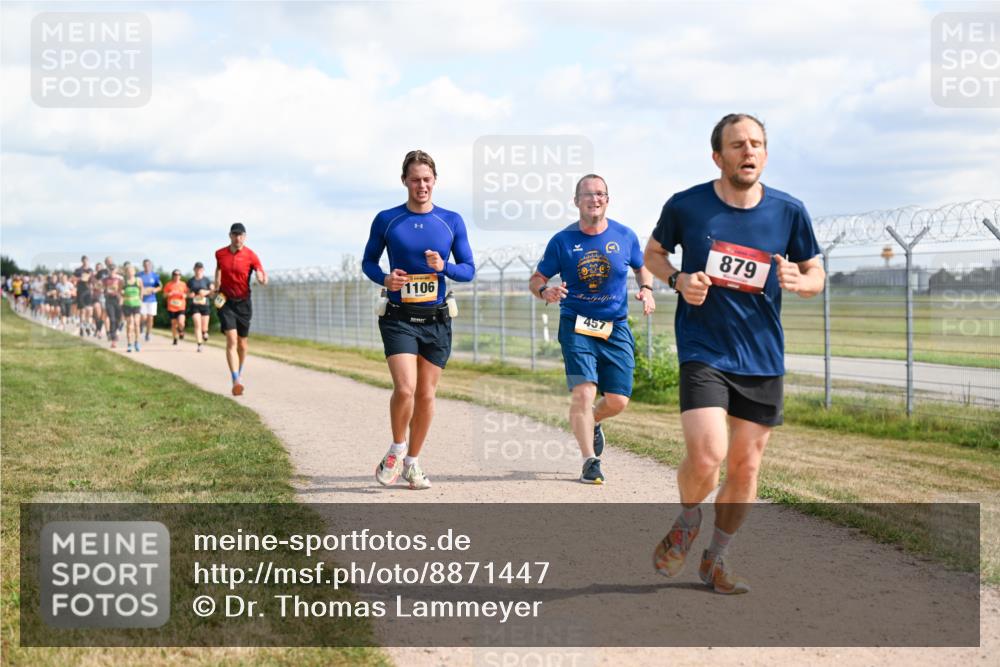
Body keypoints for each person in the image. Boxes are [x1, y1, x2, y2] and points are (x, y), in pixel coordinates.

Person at [644, 113, 825, 594]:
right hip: (704, 350)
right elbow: (653, 254)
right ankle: (686, 522)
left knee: (746, 467)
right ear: (717, 156)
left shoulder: (789, 211)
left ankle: (717, 560)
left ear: (765, 153)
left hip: (762, 356)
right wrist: (678, 281)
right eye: (738, 144)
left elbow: (815, 272)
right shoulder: (688, 206)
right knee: (708, 456)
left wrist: (800, 282)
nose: (749, 152)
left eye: (757, 143)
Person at [529, 174, 655, 485]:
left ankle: (593, 422)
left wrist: (647, 288)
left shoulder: (625, 236)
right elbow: (536, 279)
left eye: (600, 194)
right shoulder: (562, 241)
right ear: (576, 201)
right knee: (584, 392)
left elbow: (641, 265)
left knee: (618, 401)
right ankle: (590, 461)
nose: (594, 199)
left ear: (608, 200)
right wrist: (545, 292)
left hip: (616, 327)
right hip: (576, 325)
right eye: (588, 194)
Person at [362, 149, 475, 490]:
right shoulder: (387, 220)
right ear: (404, 182)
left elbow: (468, 270)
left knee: (426, 395)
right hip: (399, 317)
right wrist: (385, 280)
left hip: (437, 319)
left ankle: (412, 462)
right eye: (415, 180)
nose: (421, 185)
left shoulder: (451, 221)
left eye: (427, 179)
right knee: (405, 388)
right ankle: (397, 448)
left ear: (435, 181)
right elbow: (368, 262)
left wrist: (445, 268)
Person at [214, 222, 267, 395]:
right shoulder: (220, 253)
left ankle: (239, 371)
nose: (238, 238)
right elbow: (219, 268)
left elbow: (261, 272)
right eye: (235, 235)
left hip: (244, 303)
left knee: (242, 344)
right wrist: (216, 284)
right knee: (232, 339)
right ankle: (235, 378)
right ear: (230, 236)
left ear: (245, 237)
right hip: (226, 301)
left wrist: (261, 278)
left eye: (241, 235)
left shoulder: (251, 255)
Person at [187, 262, 214, 352]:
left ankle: (205, 332)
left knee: (204, 327)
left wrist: (205, 292)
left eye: (200, 269)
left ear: (203, 270)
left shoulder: (206, 280)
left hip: (205, 305)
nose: (198, 270)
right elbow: (186, 292)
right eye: (197, 269)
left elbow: (213, 290)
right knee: (197, 324)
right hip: (195, 306)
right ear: (194, 269)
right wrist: (189, 295)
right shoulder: (191, 281)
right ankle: (199, 344)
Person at [163, 269, 189, 345]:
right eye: (175, 274)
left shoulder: (183, 284)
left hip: (181, 307)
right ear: (173, 276)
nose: (177, 276)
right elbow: (164, 295)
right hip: (171, 308)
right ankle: (175, 338)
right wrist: (169, 294)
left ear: (180, 276)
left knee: (181, 322)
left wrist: (185, 295)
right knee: (174, 324)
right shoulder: (169, 284)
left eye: (178, 275)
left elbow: (188, 294)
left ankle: (181, 331)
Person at [121, 262, 144, 352]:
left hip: (136, 304)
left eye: (132, 271)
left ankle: (137, 342)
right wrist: (122, 293)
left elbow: (142, 289)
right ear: (126, 273)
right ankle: (129, 344)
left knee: (137, 323)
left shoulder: (138, 280)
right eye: (128, 271)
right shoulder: (124, 281)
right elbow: (120, 290)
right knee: (129, 324)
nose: (130, 272)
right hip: (127, 305)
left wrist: (141, 298)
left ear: (134, 272)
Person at [138, 259, 161, 342]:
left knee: (150, 318)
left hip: (152, 299)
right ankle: (141, 326)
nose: (147, 266)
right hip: (142, 299)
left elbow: (159, 286)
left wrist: (154, 290)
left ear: (151, 266)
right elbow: (135, 285)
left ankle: (148, 334)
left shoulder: (155, 276)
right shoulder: (139, 275)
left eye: (148, 265)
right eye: (145, 265)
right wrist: (141, 291)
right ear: (143, 266)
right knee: (143, 317)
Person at [102, 262, 124, 349]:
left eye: (113, 269)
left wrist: (121, 298)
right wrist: (105, 290)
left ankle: (117, 331)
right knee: (112, 319)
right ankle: (113, 339)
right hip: (109, 300)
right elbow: (101, 288)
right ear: (108, 270)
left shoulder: (120, 279)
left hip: (117, 299)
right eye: (110, 269)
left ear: (116, 270)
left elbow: (123, 290)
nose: (111, 271)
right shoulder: (105, 279)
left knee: (118, 319)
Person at [74, 256, 95, 337]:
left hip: (88, 292)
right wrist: (80, 278)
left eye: (86, 261)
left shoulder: (90, 270)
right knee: (82, 311)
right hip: (81, 292)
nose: (85, 262)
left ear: (88, 261)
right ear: (82, 261)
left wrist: (90, 278)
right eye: (84, 261)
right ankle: (82, 329)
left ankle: (87, 326)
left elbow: (93, 280)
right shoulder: (78, 270)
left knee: (89, 311)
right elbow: (73, 279)